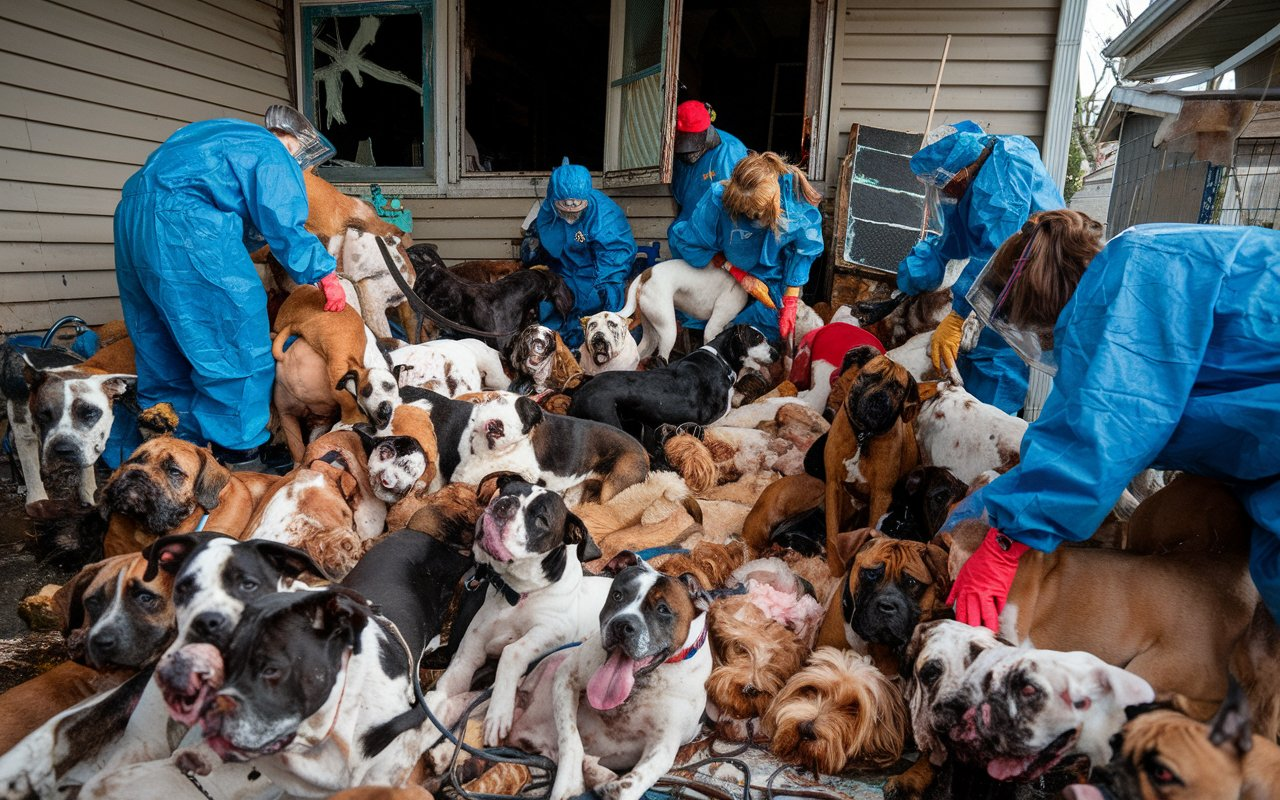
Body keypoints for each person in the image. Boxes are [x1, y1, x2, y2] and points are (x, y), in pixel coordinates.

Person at [944, 209, 1280, 630]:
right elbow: (1074, 427)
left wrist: (1005, 542)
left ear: (1039, 310)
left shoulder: (1126, 282)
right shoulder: (1123, 282)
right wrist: (1000, 502)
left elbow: (1098, 433)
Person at [113, 105, 345, 471]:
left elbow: (245, 227)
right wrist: (324, 273)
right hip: (188, 225)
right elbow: (283, 218)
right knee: (236, 343)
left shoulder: (217, 137)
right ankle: (238, 462)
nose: (302, 172)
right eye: (304, 164)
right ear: (292, 143)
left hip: (132, 217)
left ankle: (169, 461)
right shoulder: (269, 150)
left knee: (162, 346)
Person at [896, 121, 1064, 414]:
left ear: (958, 172)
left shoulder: (1007, 169)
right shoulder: (969, 180)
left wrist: (958, 316)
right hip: (1002, 276)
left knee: (996, 357)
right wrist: (926, 265)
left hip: (1031, 277)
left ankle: (994, 435)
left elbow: (997, 252)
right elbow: (956, 239)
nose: (943, 190)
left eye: (943, 181)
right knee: (968, 361)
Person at [668, 151, 823, 343]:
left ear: (774, 199)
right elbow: (690, 242)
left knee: (775, 322)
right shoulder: (718, 199)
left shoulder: (794, 200)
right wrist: (735, 272)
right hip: (727, 270)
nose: (751, 217)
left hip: (775, 274)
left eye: (757, 213)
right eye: (746, 213)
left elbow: (805, 249)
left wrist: (790, 300)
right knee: (720, 328)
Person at [531, 158, 637, 349]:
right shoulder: (549, 209)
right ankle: (556, 345)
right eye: (564, 203)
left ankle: (588, 346)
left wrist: (602, 286)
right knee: (550, 299)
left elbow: (615, 256)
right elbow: (550, 247)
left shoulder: (605, 216)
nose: (571, 207)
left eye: (577, 202)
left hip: (597, 272)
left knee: (591, 303)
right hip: (565, 269)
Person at [668, 100, 749, 249]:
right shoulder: (679, 155)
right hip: (690, 226)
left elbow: (732, 205)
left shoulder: (730, 152)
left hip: (717, 234)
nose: (688, 153)